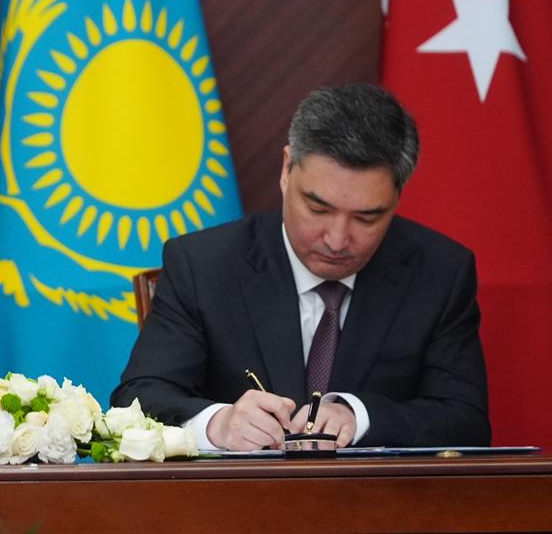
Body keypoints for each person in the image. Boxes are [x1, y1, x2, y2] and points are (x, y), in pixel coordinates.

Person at [111, 84, 489, 450]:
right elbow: (138, 399)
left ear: (397, 197)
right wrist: (217, 424)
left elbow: (466, 421)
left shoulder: (439, 274)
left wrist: (361, 417)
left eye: (367, 218)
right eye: (318, 209)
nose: (337, 240)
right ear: (287, 169)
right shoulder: (203, 265)